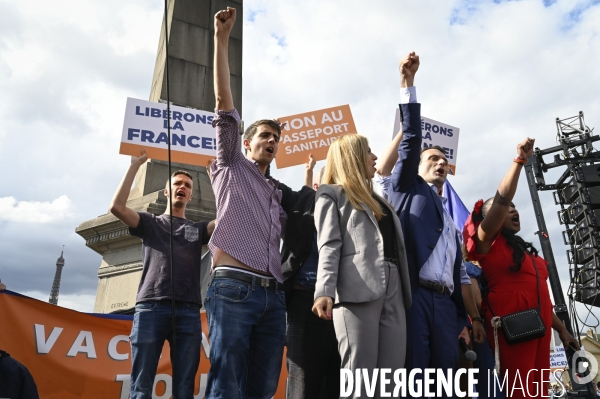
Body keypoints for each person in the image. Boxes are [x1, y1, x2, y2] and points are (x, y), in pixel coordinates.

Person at [384, 52, 485, 397]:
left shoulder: (450, 218)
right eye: (433, 159)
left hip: (445, 307)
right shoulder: (406, 188)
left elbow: (458, 272)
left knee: (444, 384)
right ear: (416, 166)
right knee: (413, 378)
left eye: (444, 160)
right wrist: (407, 86)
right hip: (413, 298)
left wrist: (466, 319)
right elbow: (411, 138)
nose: (441, 163)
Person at [203, 7, 288, 399]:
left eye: (277, 138)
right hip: (233, 288)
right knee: (227, 386)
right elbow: (223, 103)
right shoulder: (231, 163)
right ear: (246, 140)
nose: (272, 141)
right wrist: (221, 40)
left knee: (263, 388)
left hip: (273, 296)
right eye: (265, 135)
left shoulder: (276, 192)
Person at [462, 137, 579, 399]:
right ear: (489, 218)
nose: (513, 211)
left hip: (538, 326)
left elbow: (543, 301)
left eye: (516, 209)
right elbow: (502, 199)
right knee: (520, 392)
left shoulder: (530, 256)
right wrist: (520, 162)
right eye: (506, 210)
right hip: (511, 325)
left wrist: (561, 330)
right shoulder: (485, 243)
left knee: (537, 392)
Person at [312, 133, 412, 397]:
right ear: (352, 157)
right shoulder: (330, 193)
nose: (375, 157)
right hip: (356, 290)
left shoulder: (380, 200)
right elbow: (329, 245)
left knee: (392, 381)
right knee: (360, 378)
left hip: (395, 290)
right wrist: (324, 290)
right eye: (368, 151)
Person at [110, 151, 214, 399]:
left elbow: (227, 220)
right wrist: (134, 166)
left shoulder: (197, 230)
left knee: (184, 389)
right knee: (141, 386)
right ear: (167, 191)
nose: (182, 187)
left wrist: (214, 175)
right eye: (177, 183)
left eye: (187, 186)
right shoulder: (149, 223)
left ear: (191, 195)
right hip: (151, 308)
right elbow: (116, 207)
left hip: (188, 313)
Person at [281, 156, 341, 399]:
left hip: (342, 307)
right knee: (304, 383)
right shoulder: (301, 201)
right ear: (317, 187)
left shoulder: (352, 208)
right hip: (305, 301)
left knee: (336, 382)